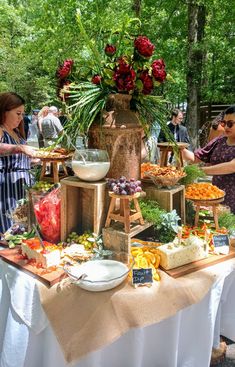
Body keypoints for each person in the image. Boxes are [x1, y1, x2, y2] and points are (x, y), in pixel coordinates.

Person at [182, 105, 235, 213]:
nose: (226, 127)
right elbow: (195, 158)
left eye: (230, 123)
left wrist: (200, 171)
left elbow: (232, 166)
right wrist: (178, 148)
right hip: (217, 197)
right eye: (224, 123)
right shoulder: (220, 140)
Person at [0, 92, 37, 233]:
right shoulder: (1, 130)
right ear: (4, 110)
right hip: (7, 190)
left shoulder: (17, 133)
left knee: (22, 230)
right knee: (9, 230)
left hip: (21, 189)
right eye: (18, 113)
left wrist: (38, 159)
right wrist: (18, 148)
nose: (21, 118)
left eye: (22, 114)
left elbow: (20, 161)